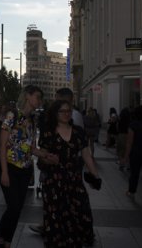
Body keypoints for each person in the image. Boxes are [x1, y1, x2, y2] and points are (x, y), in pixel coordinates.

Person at [37, 99, 100, 247]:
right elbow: (43, 155)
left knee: (81, 215)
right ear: (55, 113)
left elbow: (86, 155)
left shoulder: (78, 132)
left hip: (74, 181)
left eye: (68, 111)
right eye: (62, 111)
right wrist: (48, 159)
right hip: (53, 183)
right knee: (56, 219)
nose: (66, 114)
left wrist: (95, 175)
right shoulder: (48, 132)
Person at [0, 85, 43, 248]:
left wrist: (46, 155)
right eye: (37, 96)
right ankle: (0, 238)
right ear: (28, 96)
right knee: (13, 205)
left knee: (18, 207)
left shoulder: (32, 120)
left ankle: (7, 241)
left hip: (25, 168)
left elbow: (30, 147)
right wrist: (4, 173)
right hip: (9, 166)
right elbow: (2, 143)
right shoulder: (12, 115)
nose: (39, 100)